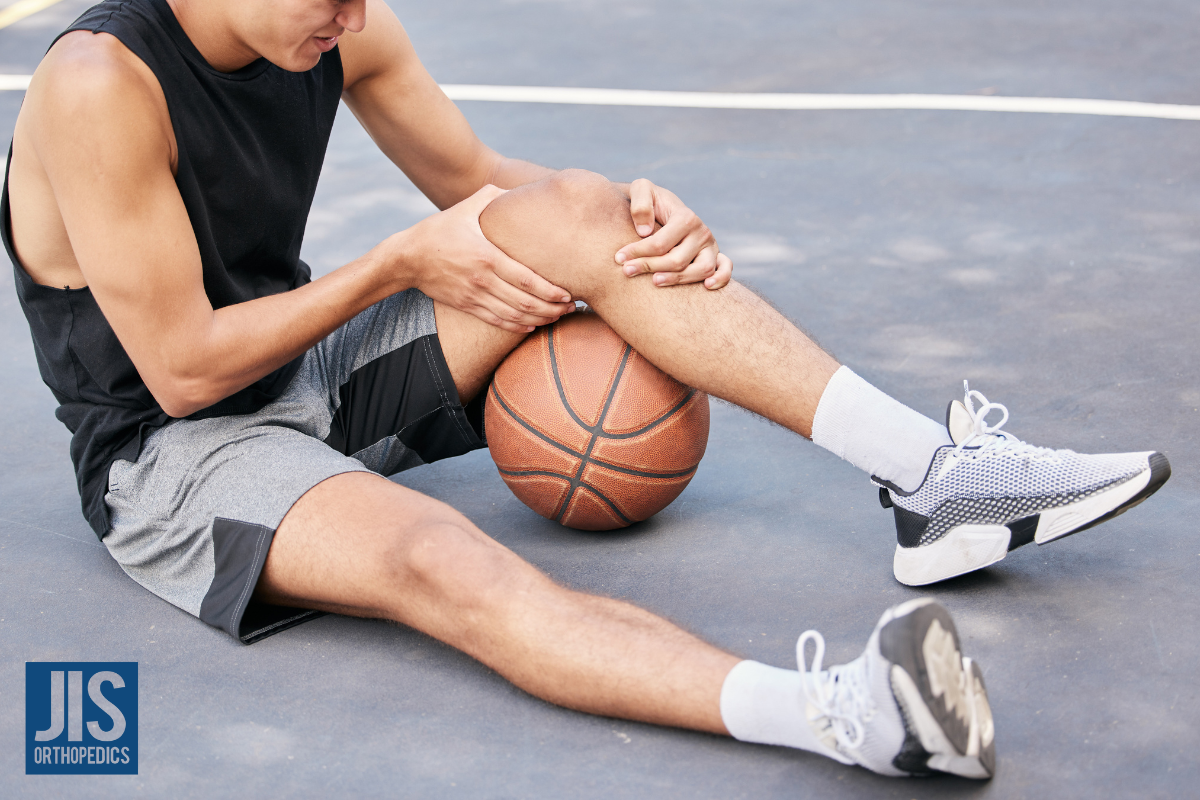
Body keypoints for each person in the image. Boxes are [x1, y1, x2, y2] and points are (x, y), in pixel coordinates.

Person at [2, 0, 1170, 780]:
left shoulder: (333, 23)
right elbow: (185, 365)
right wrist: (398, 262)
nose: (357, 18)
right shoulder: (101, 83)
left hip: (305, 371)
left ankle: (935, 478)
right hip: (175, 453)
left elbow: (477, 182)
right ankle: (844, 712)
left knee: (577, 219)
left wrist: (627, 218)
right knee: (437, 558)